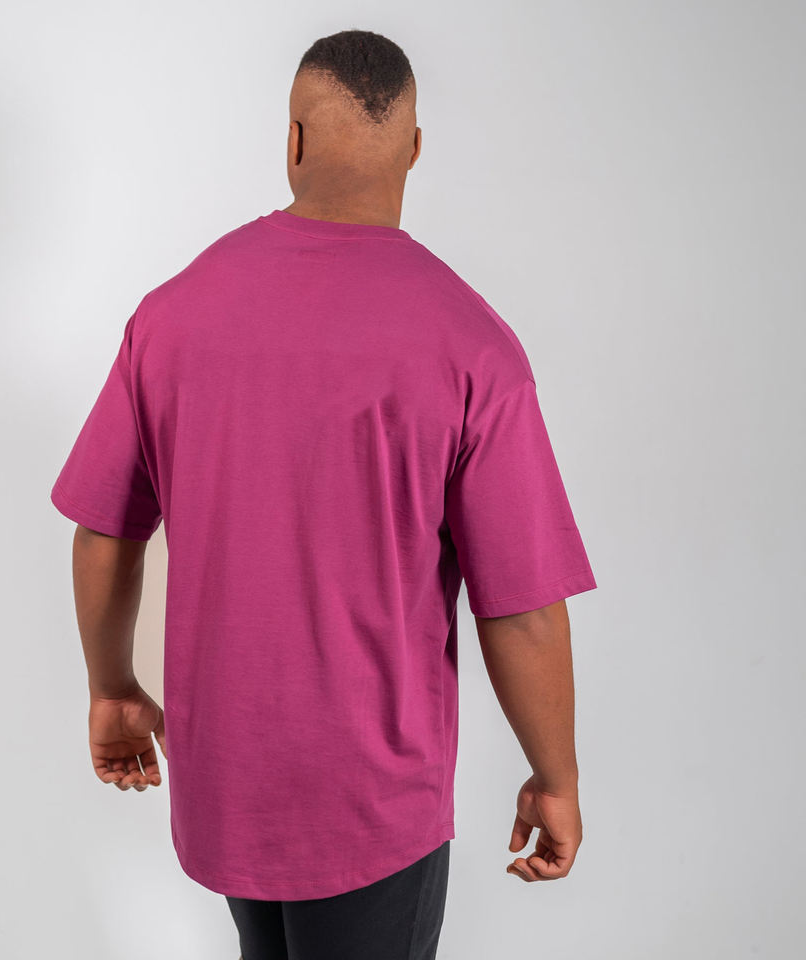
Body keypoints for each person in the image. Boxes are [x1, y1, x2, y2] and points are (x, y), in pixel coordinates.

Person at [50, 28, 597, 960]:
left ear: (293, 139)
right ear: (413, 150)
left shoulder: (173, 314)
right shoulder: (473, 345)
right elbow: (523, 609)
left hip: (225, 784)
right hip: (371, 803)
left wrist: (112, 688)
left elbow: (105, 530)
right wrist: (556, 778)